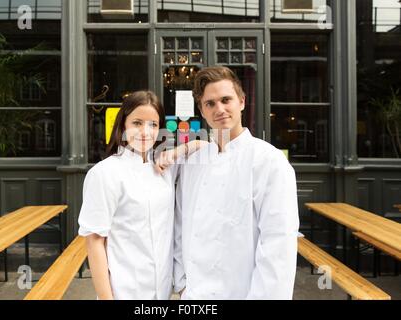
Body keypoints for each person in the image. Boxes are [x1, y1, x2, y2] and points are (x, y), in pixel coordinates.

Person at [174, 66, 300, 300]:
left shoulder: (269, 162)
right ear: (202, 110)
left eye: (226, 100)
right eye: (210, 103)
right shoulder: (193, 164)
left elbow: (278, 246)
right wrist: (182, 285)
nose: (219, 109)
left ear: (242, 101)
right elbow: (181, 226)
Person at [78, 91, 206, 300]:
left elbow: (207, 145)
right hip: (124, 290)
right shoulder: (105, 173)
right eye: (137, 123)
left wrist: (174, 152)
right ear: (123, 125)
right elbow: (94, 242)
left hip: (161, 290)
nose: (145, 132)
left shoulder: (164, 166)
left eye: (153, 124)